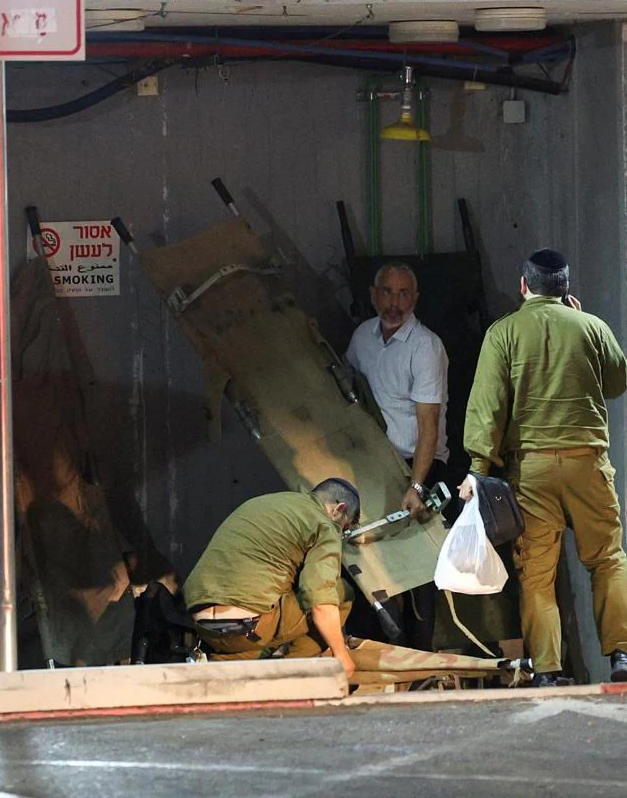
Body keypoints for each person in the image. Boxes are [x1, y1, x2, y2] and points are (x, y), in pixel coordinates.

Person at [459, 248, 627, 686]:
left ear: (524, 287)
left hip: (533, 472)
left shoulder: (503, 333)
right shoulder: (592, 327)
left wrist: (478, 467)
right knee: (607, 559)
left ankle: (547, 671)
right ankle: (621, 656)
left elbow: (488, 407)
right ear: (566, 290)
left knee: (537, 575)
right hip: (589, 465)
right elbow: (618, 381)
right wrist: (585, 324)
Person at [345, 261, 450, 650]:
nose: (395, 302)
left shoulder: (425, 347)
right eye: (388, 292)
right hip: (372, 465)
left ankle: (421, 656)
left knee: (418, 569)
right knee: (366, 561)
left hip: (415, 464)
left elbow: (429, 424)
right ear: (374, 295)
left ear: (415, 299)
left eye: (404, 294)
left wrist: (417, 485)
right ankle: (374, 652)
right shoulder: (362, 338)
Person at [182, 478, 361, 680]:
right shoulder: (324, 524)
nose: (341, 533)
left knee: (275, 603)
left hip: (203, 624)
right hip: (248, 627)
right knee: (342, 592)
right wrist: (341, 655)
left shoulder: (267, 502)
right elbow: (320, 599)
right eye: (344, 527)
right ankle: (290, 676)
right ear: (338, 509)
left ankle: (227, 664)